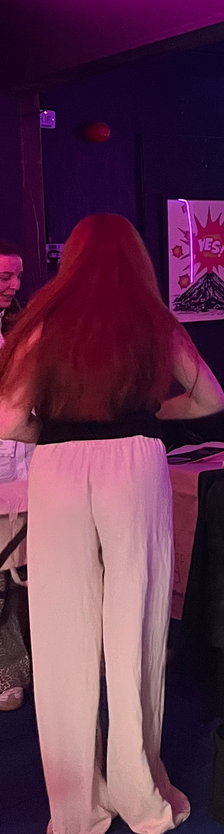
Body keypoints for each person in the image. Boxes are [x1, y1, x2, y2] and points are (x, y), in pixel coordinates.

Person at [0, 214, 224, 834]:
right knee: (136, 622)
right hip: (134, 461)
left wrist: (59, 433)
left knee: (63, 630)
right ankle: (138, 790)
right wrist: (150, 416)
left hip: (60, 469)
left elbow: (10, 419)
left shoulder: (42, 323)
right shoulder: (154, 322)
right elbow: (209, 400)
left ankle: (76, 809)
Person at [0, 238, 30, 712]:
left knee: (20, 563)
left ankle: (20, 664)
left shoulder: (18, 325)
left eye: (17, 276)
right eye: (4, 276)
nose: (13, 285)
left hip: (22, 459)